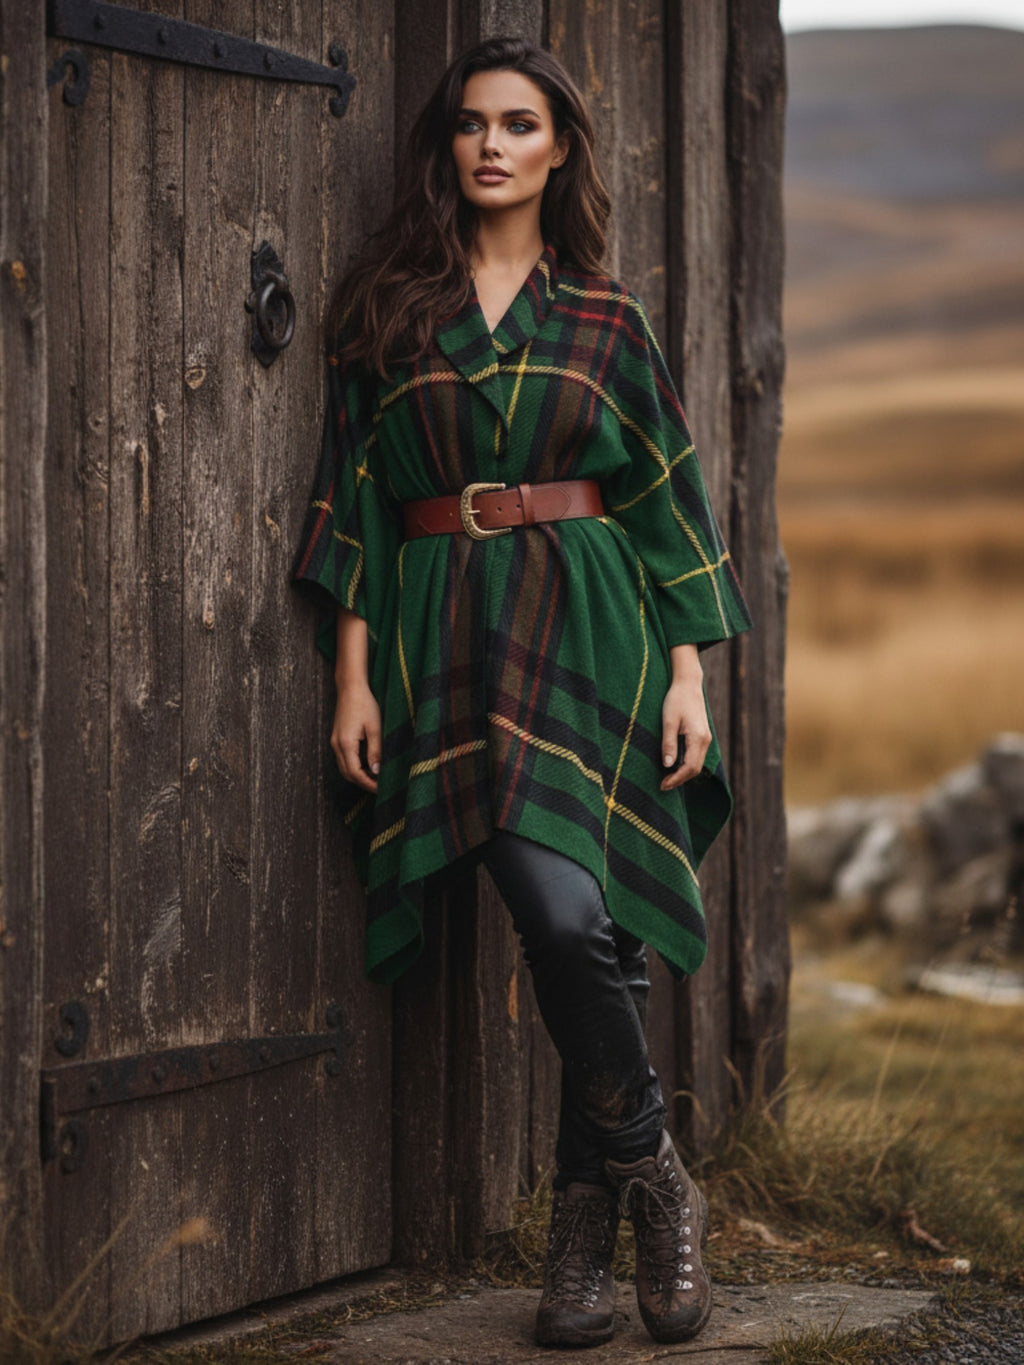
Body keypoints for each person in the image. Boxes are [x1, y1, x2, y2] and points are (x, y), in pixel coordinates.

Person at [292, 36, 750, 1350]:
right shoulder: (387, 308)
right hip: (449, 638)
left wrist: (686, 675)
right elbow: (357, 508)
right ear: (449, 149)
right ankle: (657, 1171)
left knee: (588, 930)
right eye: (470, 125)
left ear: (559, 151)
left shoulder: (608, 318)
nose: (490, 144)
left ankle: (580, 1243)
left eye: (520, 124)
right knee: (561, 914)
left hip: (596, 624)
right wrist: (354, 676)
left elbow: (667, 499)